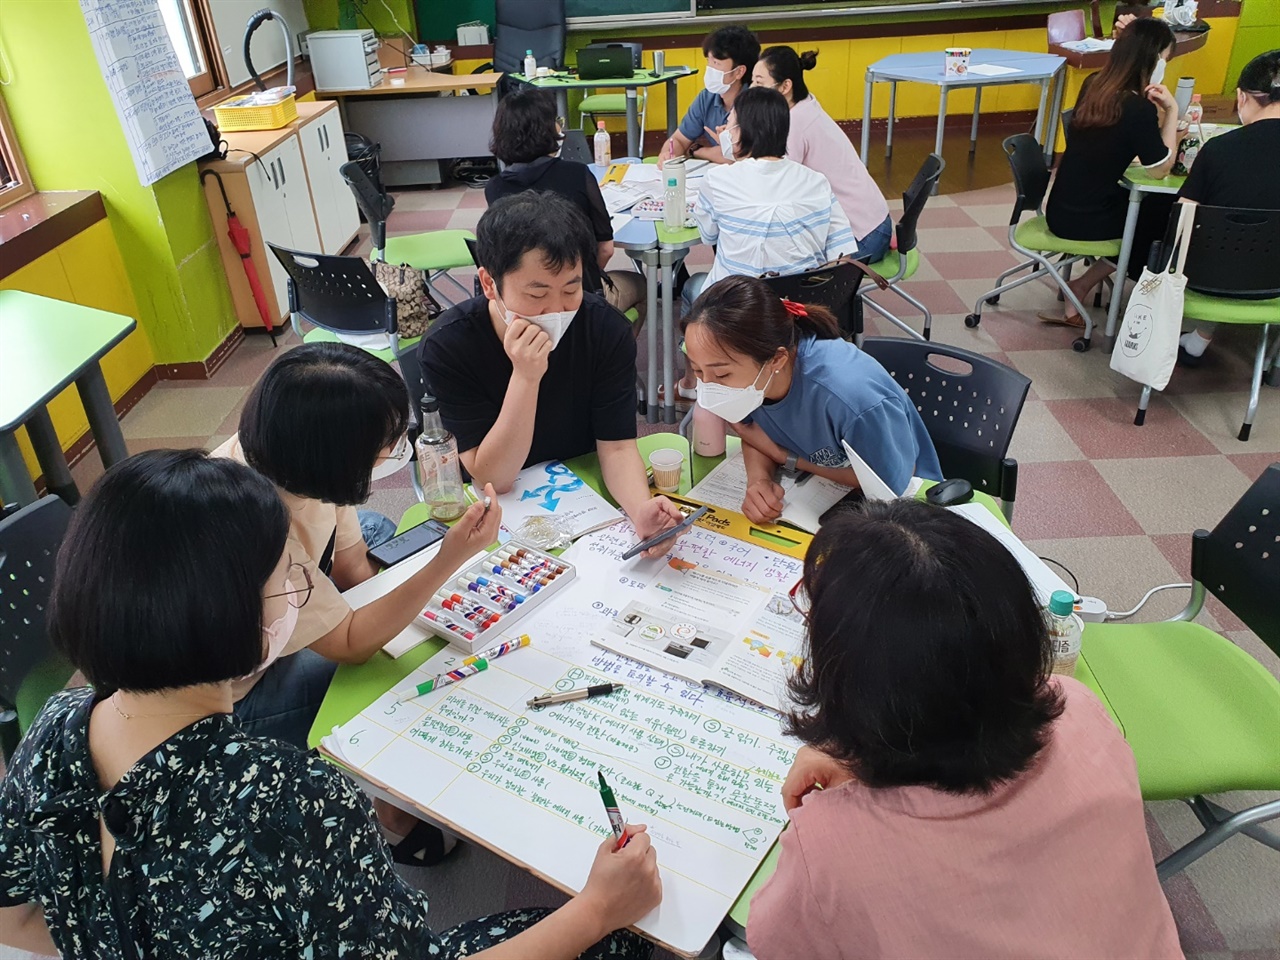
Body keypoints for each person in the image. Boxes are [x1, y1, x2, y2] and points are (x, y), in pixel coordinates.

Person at [0, 449, 661, 960]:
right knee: (622, 939)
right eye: (286, 574)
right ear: (229, 616)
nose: (300, 584)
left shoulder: (54, 730)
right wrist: (597, 910)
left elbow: (16, 916)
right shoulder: (291, 798)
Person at [747, 499, 1183, 959]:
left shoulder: (832, 847)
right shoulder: (1079, 709)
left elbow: (772, 940)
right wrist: (861, 761)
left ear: (846, 683)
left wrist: (858, 770)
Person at [213, 343, 500, 751]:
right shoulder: (258, 531)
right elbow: (351, 644)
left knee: (377, 528)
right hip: (240, 696)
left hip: (279, 591)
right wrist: (448, 560)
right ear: (338, 460)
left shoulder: (283, 447)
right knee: (397, 667)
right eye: (385, 444)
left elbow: (353, 571)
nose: (394, 450)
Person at [419, 191, 684, 555]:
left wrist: (640, 511)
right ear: (488, 284)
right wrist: (526, 377)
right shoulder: (448, 346)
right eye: (536, 293)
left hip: (581, 488)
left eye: (571, 289)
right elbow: (494, 477)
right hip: (496, 511)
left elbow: (618, 446)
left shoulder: (605, 330)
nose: (555, 310)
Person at [681, 276, 940, 524]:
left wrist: (783, 456)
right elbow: (755, 434)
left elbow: (887, 481)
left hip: (906, 504)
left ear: (776, 361)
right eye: (698, 370)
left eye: (721, 373)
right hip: (815, 491)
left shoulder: (851, 399)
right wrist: (759, 481)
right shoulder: (751, 378)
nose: (709, 386)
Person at [1042, 16, 1180, 328]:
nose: (1164, 66)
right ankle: (1084, 284)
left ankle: (1082, 284)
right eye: (1164, 59)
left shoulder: (1094, 85)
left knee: (1148, 210)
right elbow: (1160, 169)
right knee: (1161, 217)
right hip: (1088, 219)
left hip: (1060, 208)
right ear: (1151, 59)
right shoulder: (1138, 108)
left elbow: (1107, 145)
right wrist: (1171, 111)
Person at [685, 86, 858, 307]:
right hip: (799, 311)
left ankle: (690, 342)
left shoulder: (716, 180)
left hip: (735, 311)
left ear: (740, 131)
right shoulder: (816, 181)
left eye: (728, 124)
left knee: (693, 285)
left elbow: (709, 237)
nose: (723, 130)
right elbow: (841, 257)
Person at [485, 87, 645, 320]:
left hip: (527, 304)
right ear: (547, 129)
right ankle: (607, 352)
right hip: (580, 298)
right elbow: (606, 249)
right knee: (642, 286)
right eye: (556, 120)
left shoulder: (494, 188)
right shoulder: (578, 174)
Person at [1176, 49, 1280, 365]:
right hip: (1274, 282)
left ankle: (1198, 337)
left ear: (1241, 97)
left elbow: (1180, 221)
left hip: (1207, 275)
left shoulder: (1219, 148)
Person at [752, 46, 893, 263]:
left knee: (780, 257)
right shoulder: (805, 104)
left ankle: (839, 295)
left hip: (862, 237)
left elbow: (777, 186)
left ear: (785, 86)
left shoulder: (795, 123)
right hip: (874, 221)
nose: (752, 89)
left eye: (759, 83)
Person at [658, 25, 759, 166]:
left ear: (739, 72)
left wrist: (697, 150)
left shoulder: (757, 102)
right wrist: (668, 154)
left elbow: (736, 156)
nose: (710, 69)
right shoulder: (707, 97)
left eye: (716, 63)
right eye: (708, 61)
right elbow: (679, 139)